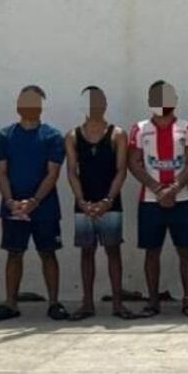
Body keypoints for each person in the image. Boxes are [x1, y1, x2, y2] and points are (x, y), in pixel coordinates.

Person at [0, 85, 67, 322]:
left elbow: (52, 173)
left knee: (48, 254)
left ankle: (54, 303)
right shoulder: (4, 136)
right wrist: (10, 202)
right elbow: (2, 172)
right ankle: (10, 303)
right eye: (25, 100)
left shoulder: (53, 136)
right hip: (13, 208)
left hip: (45, 208)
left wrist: (34, 201)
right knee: (14, 254)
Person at [129, 81, 188, 317]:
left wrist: (175, 188)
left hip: (182, 199)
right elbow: (134, 162)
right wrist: (158, 188)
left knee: (185, 250)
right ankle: (152, 301)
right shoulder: (139, 129)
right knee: (152, 251)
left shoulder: (187, 127)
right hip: (151, 200)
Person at [66, 86, 139, 320]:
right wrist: (82, 201)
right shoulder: (73, 135)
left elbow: (121, 170)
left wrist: (108, 200)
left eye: (98, 102)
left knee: (113, 252)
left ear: (105, 105)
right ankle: (87, 303)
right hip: (84, 203)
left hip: (110, 202)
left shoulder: (117, 134)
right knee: (86, 253)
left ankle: (118, 304)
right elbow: (71, 171)